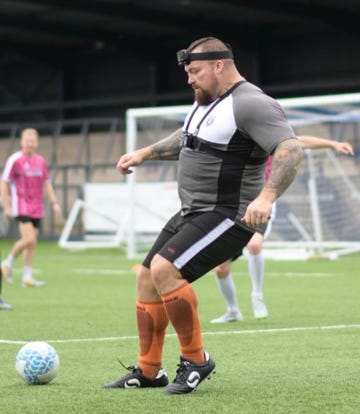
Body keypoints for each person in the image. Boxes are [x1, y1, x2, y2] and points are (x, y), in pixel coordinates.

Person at [103, 36, 303, 395]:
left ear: (219, 66)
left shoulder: (251, 103)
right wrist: (145, 153)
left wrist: (268, 197)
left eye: (195, 71)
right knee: (147, 277)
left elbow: (290, 148)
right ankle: (149, 370)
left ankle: (196, 361)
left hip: (230, 214)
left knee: (166, 270)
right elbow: (187, 137)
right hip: (193, 211)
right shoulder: (207, 103)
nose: (190, 79)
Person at [210, 137, 354, 323]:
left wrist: (333, 143)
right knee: (221, 267)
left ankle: (257, 295)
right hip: (236, 206)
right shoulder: (236, 142)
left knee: (254, 244)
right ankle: (233, 311)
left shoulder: (269, 138)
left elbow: (298, 141)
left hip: (263, 202)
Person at [1, 128, 62, 288]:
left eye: (33, 140)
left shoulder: (40, 161)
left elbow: (46, 184)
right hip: (21, 205)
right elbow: (4, 182)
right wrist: (7, 206)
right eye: (27, 140)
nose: (30, 143)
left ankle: (27, 277)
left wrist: (54, 202)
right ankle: (7, 263)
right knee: (28, 239)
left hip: (37, 207)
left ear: (37, 142)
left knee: (32, 243)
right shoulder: (15, 160)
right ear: (22, 142)